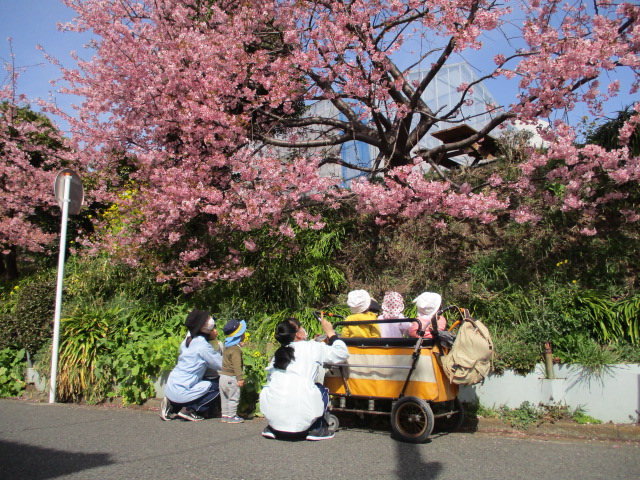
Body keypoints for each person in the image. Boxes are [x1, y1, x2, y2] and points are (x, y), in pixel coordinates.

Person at [259, 315, 349, 441]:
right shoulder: (313, 347)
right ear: (298, 334)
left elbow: (271, 378)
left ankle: (273, 427)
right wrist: (330, 332)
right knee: (321, 390)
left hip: (273, 414)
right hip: (303, 408)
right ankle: (316, 429)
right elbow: (342, 353)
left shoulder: (279, 353)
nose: (304, 330)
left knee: (281, 388)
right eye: (301, 328)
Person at [160, 309, 223, 422]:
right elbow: (220, 364)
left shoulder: (187, 340)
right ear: (201, 326)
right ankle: (190, 410)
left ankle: (172, 406)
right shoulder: (203, 346)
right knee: (218, 385)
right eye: (207, 319)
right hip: (185, 387)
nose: (210, 320)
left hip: (172, 384)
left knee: (196, 386)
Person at [220, 318, 247, 424]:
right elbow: (237, 365)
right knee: (233, 397)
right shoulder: (236, 349)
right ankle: (232, 416)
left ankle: (225, 415)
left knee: (225, 397)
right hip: (232, 377)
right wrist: (240, 378)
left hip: (223, 377)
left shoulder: (226, 346)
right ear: (239, 335)